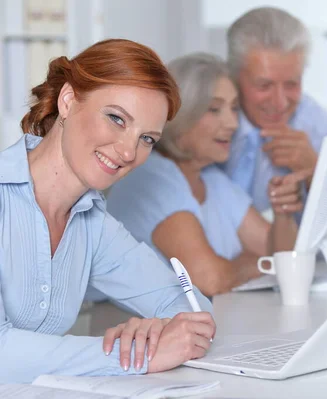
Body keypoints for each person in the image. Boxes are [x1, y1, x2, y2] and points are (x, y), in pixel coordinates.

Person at [0, 39, 216, 383]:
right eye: (116, 118)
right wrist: (136, 355)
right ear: (68, 101)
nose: (129, 152)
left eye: (147, 139)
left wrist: (157, 330)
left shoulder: (92, 223)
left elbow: (195, 309)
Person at [108, 53, 305, 296]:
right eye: (214, 109)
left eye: (234, 109)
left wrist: (283, 212)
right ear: (178, 115)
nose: (232, 123)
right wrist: (253, 262)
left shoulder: (213, 180)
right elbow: (210, 280)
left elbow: (285, 259)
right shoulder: (150, 178)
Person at [221, 6, 327, 213]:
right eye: (264, 86)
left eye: (292, 84)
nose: (280, 103)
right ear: (234, 76)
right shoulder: (201, 117)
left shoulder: (318, 128)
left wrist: (315, 176)